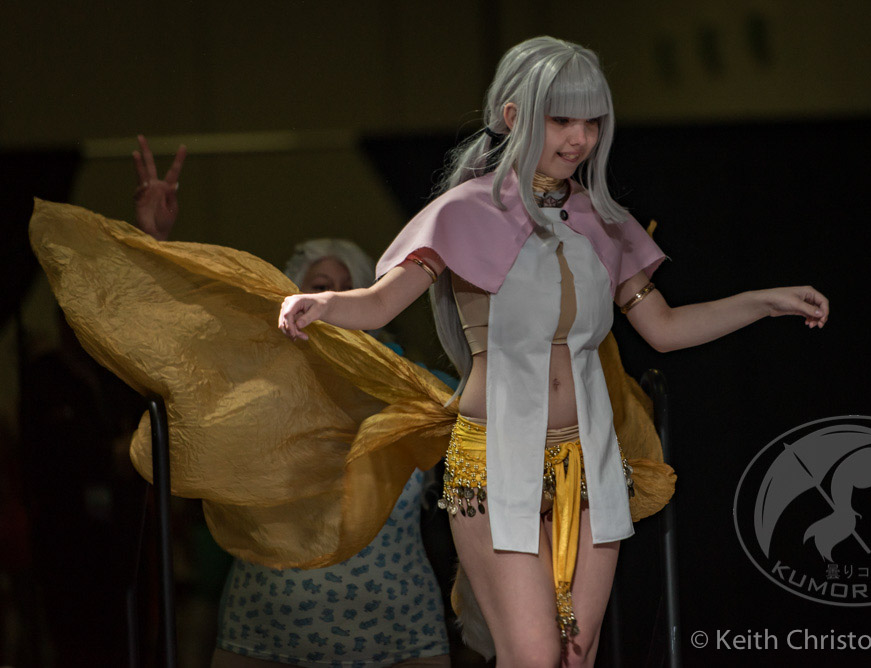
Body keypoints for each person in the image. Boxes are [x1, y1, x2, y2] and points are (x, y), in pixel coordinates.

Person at [278, 36, 828, 668]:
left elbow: (665, 328)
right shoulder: (463, 212)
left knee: (575, 656)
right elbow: (378, 304)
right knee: (535, 657)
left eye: (592, 122)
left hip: (591, 460)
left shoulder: (601, 219)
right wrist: (324, 303)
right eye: (563, 119)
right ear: (514, 116)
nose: (580, 138)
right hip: (494, 459)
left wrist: (762, 302)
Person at [130, 137, 451, 668]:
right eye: (321, 286)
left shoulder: (410, 383)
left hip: (398, 634)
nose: (331, 301)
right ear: (292, 297)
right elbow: (169, 346)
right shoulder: (253, 377)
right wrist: (153, 240)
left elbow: (481, 404)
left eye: (348, 290)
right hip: (267, 632)